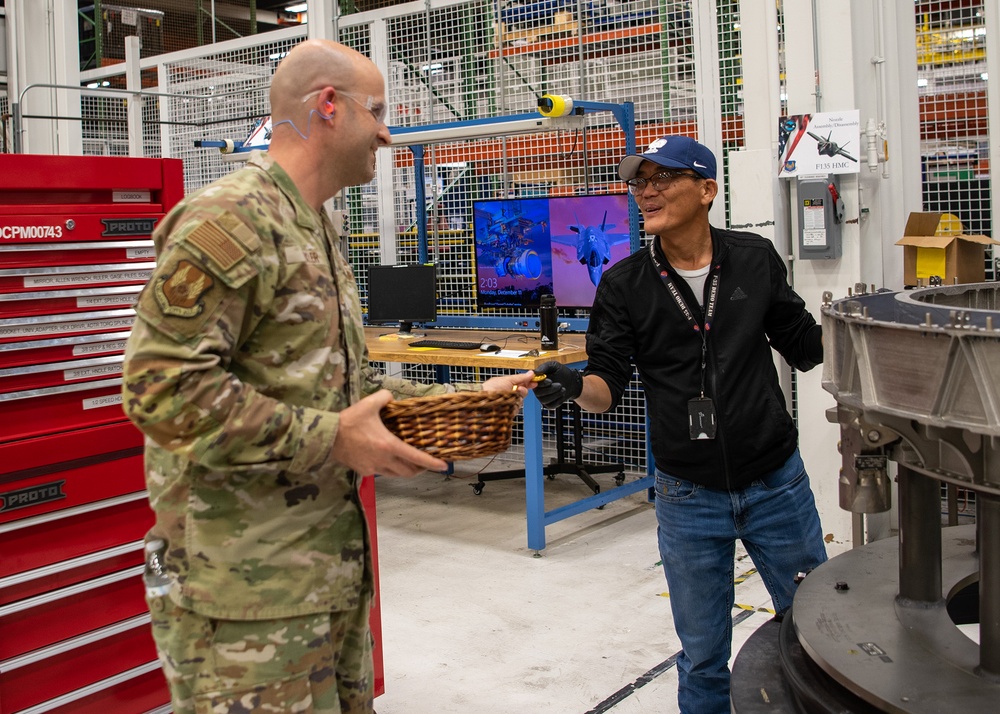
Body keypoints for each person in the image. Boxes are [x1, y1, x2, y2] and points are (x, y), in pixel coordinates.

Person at [121, 39, 535, 714]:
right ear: (328, 106)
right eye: (377, 111)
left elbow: (339, 388)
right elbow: (160, 388)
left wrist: (454, 399)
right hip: (246, 600)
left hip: (326, 576)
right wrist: (330, 439)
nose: (386, 130)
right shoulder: (232, 218)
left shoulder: (315, 224)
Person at [533, 135, 828, 713]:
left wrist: (859, 324)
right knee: (701, 655)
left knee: (813, 631)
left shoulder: (753, 257)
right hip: (687, 493)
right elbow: (606, 388)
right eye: (639, 182)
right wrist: (571, 387)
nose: (646, 192)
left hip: (775, 484)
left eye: (662, 178)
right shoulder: (623, 285)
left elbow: (806, 347)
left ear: (707, 190)